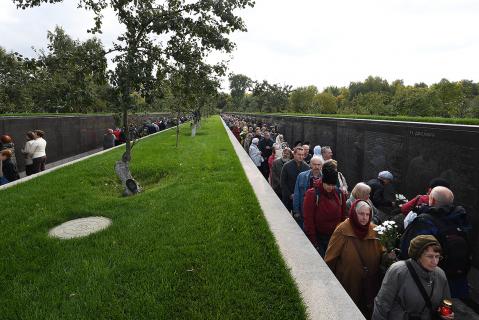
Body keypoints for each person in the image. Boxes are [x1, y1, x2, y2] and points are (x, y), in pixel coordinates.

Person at [399, 186, 471, 299]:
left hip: (430, 283)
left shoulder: (425, 221)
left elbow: (407, 250)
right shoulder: (461, 219)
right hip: (457, 281)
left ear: (431, 200)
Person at [325, 200, 386, 318]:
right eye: (361, 214)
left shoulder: (375, 230)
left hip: (369, 282)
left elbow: (382, 251)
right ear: (353, 212)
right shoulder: (342, 229)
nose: (364, 218)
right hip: (348, 281)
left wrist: (388, 255)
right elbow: (330, 257)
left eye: (367, 214)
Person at [373, 235, 453, 320]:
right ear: (417, 256)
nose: (435, 262)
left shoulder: (440, 274)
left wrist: (445, 315)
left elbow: (446, 303)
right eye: (430, 256)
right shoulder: (398, 271)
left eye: (437, 256)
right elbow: (382, 304)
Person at [303, 162, 347, 257]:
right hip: (319, 238)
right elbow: (308, 219)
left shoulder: (339, 194)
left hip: (335, 236)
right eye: (328, 184)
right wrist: (313, 240)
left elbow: (343, 216)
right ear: (323, 181)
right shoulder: (312, 194)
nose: (330, 187)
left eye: (333, 185)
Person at [292, 155, 323, 228]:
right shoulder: (301, 176)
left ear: (321, 165)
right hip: (304, 210)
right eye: (314, 164)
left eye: (318, 165)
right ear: (310, 165)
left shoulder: (325, 178)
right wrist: (296, 211)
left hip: (319, 211)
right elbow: (297, 194)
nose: (317, 167)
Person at [280, 146, 309, 212]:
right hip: (288, 197)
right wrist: (290, 194)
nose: (301, 157)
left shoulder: (307, 167)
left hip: (301, 198)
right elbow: (283, 182)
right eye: (299, 154)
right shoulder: (286, 166)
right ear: (294, 154)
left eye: (302, 155)